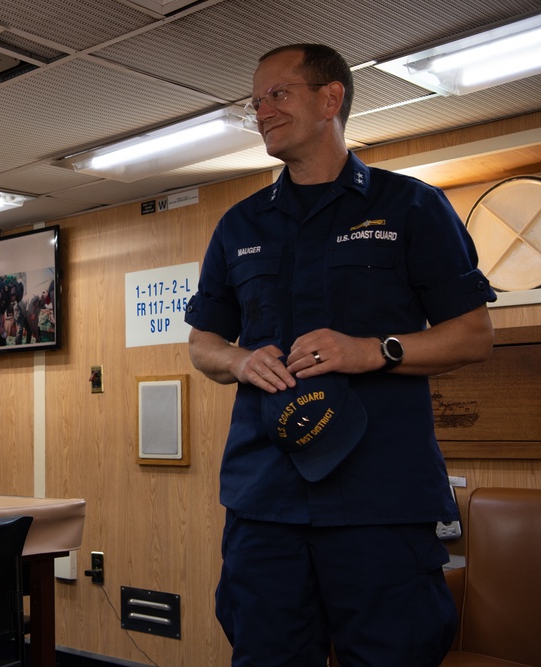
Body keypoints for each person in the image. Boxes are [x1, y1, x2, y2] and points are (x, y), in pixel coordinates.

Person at [184, 44, 496, 666]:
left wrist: (374, 350)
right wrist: (240, 361)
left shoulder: (412, 207)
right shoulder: (239, 226)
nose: (262, 110)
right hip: (265, 500)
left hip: (379, 499)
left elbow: (473, 334)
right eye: (256, 102)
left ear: (332, 99)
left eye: (278, 94)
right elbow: (203, 345)